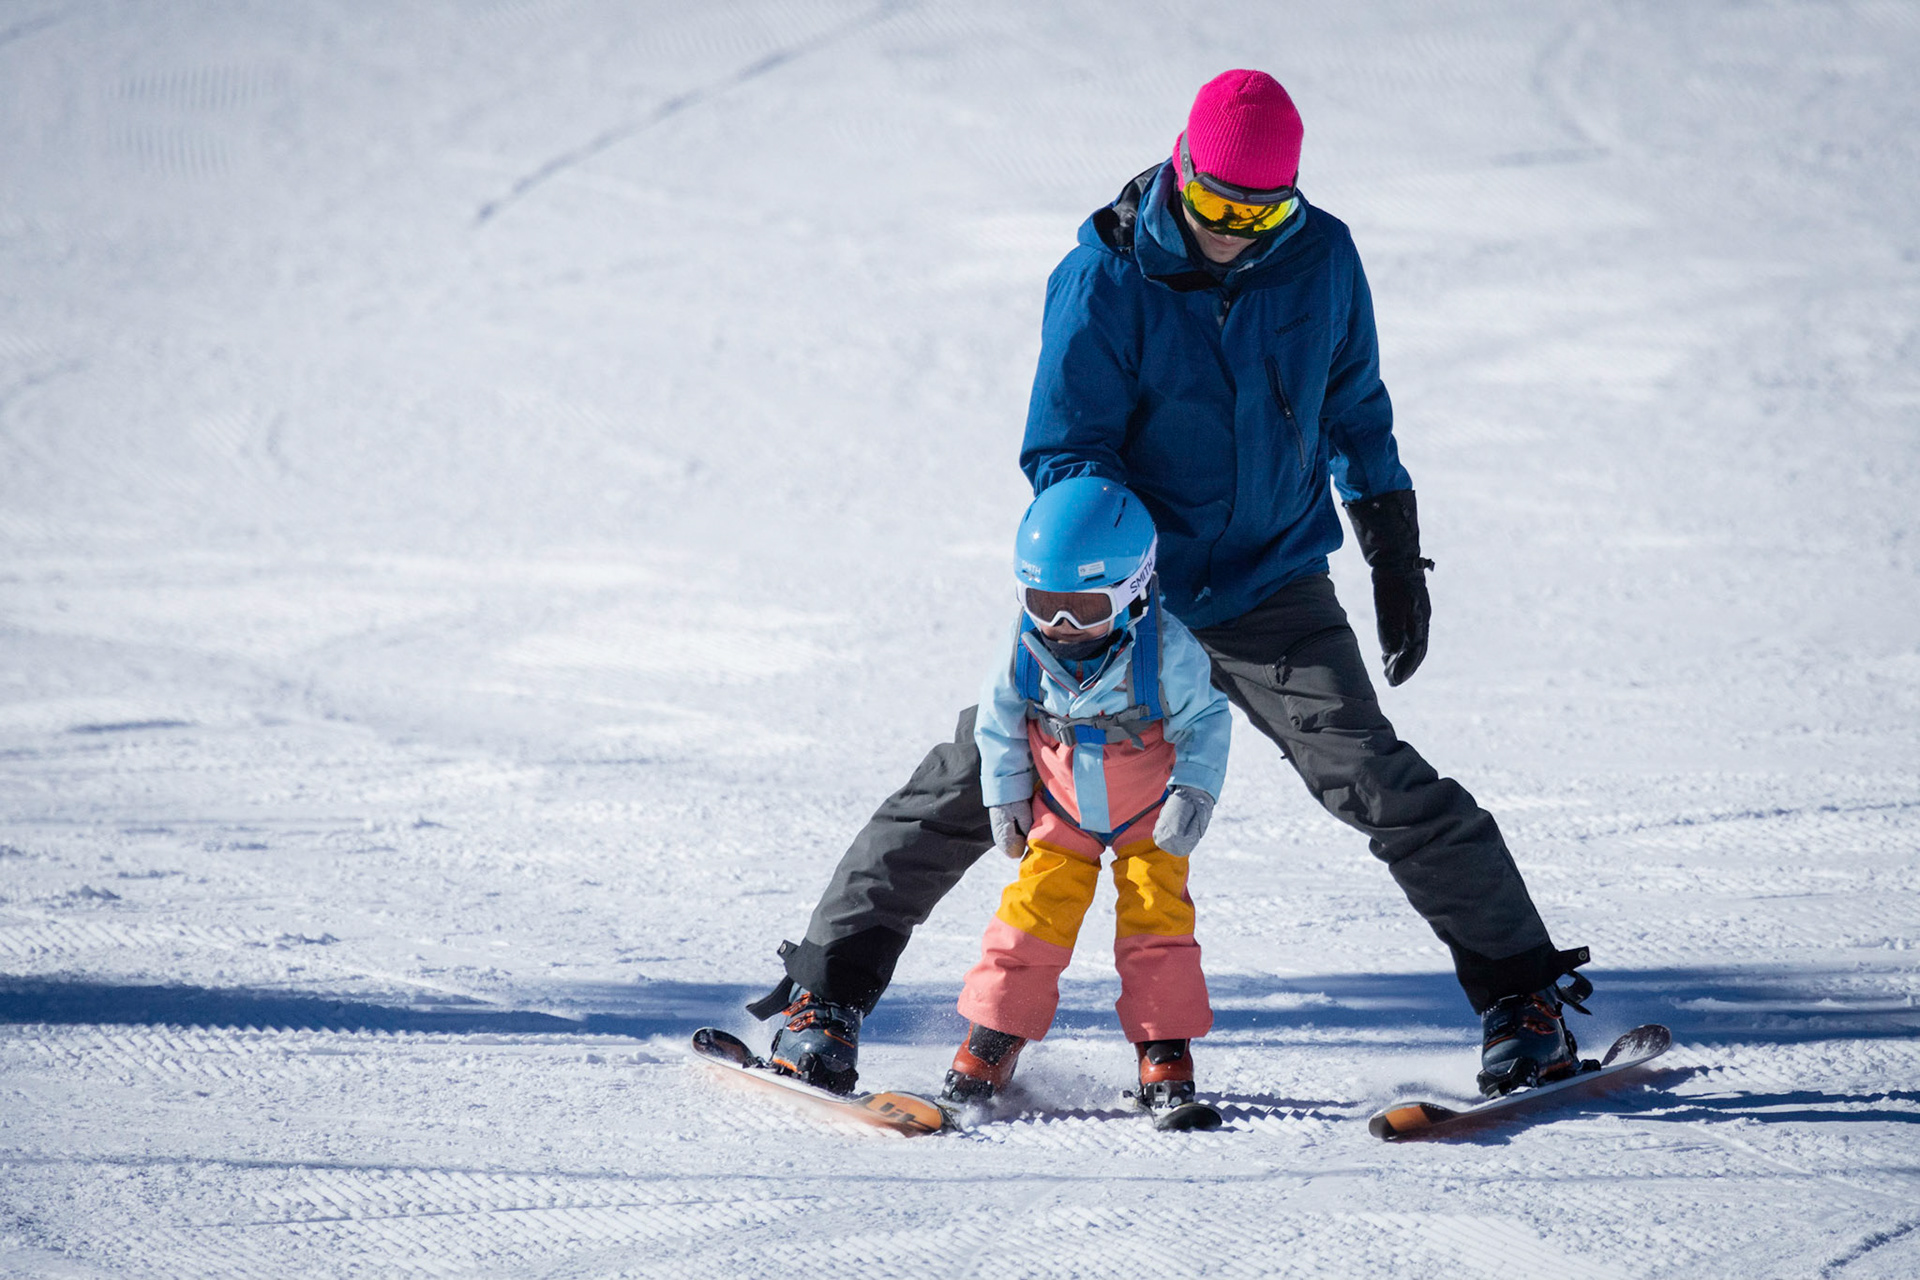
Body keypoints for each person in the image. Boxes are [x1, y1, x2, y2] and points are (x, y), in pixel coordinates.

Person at [751, 68, 1593, 1101]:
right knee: (980, 772)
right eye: (1214, 205)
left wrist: (1388, 536)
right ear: (1180, 170)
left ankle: (1523, 998)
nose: (1235, 230)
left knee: (1374, 775)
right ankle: (823, 995)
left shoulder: (1321, 257)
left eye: (1261, 210)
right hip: (1131, 604)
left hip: (1271, 584)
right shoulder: (1106, 279)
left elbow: (1355, 399)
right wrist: (1107, 583)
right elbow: (1064, 449)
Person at [941, 477, 1230, 1110]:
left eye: (1086, 608)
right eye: (1044, 603)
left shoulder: (1166, 651)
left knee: (1159, 923)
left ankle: (1164, 1049)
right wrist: (1007, 796)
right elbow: (998, 721)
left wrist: (1194, 792)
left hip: (1149, 819)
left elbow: (1206, 720)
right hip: (1062, 813)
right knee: (1030, 917)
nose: (1062, 625)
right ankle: (993, 1038)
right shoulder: (1022, 647)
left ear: (1131, 593)